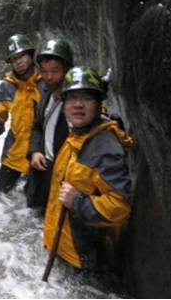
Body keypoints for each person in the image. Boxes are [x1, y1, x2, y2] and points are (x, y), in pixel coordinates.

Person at [43, 66, 134, 271]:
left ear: (98, 103)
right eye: (72, 98)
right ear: (64, 104)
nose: (78, 104)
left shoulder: (104, 148)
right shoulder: (78, 134)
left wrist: (77, 201)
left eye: (87, 98)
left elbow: (120, 207)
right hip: (63, 243)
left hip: (83, 256)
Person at [0, 34, 42, 193]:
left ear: (31, 55)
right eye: (14, 59)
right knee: (1, 194)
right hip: (14, 152)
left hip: (39, 153)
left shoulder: (45, 83)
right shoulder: (5, 87)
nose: (18, 62)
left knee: (34, 201)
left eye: (22, 56)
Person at [25, 39, 73, 211]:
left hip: (64, 174)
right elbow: (37, 126)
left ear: (67, 70)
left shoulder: (75, 104)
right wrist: (35, 151)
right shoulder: (46, 94)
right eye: (44, 72)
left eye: (55, 71)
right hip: (44, 167)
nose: (49, 77)